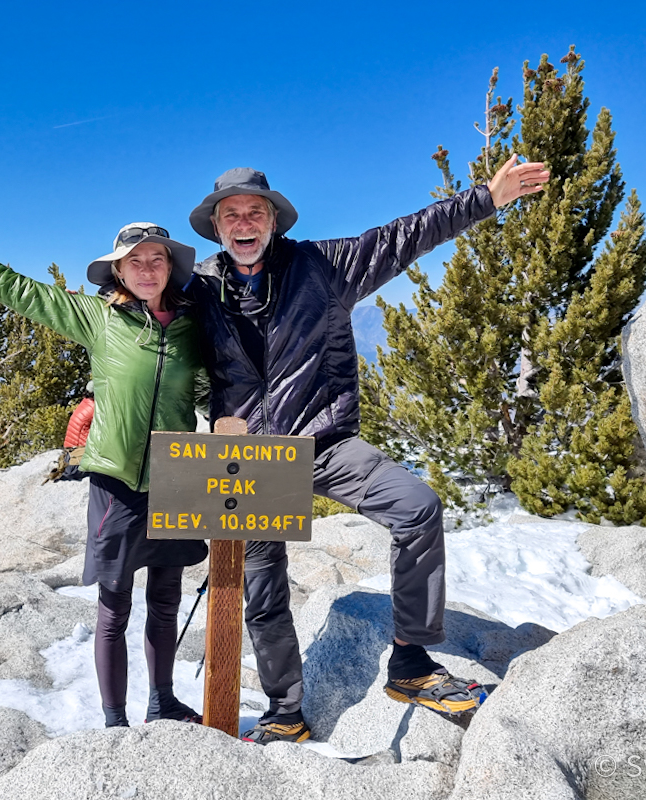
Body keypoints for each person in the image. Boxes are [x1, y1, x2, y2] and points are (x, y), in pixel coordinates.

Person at [186, 156, 550, 743]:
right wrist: (101, 395)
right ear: (218, 225)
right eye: (232, 214)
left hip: (323, 442)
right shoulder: (200, 289)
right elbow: (145, 329)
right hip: (251, 462)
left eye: (256, 210)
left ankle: (409, 663)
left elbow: (405, 236)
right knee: (262, 583)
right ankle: (285, 713)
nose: (245, 221)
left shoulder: (324, 266)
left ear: (273, 219)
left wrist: (486, 197)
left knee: (418, 508)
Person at [0, 190, 208, 728]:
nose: (148, 268)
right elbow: (16, 289)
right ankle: (113, 720)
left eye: (158, 258)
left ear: (170, 266)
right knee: (114, 605)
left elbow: (203, 392)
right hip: (117, 477)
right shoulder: (97, 317)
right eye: (136, 261)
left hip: (177, 475)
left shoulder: (190, 328)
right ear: (119, 271)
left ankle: (163, 702)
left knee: (166, 599)